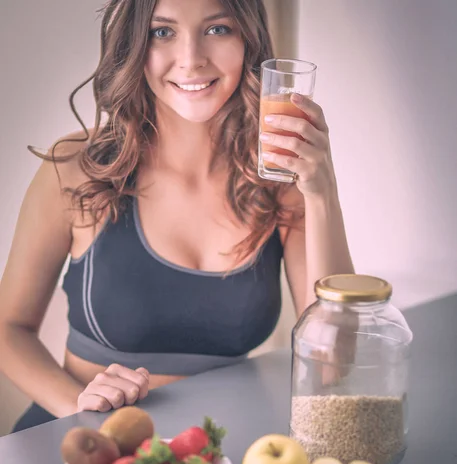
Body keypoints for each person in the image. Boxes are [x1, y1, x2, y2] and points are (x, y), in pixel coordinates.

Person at [0, 0, 354, 433]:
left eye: (218, 29)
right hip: (79, 446)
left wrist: (321, 192)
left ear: (249, 38)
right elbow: (8, 329)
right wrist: (77, 404)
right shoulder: (76, 166)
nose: (191, 60)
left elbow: (334, 363)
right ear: (134, 44)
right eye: (162, 32)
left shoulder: (279, 181)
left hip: (212, 457)